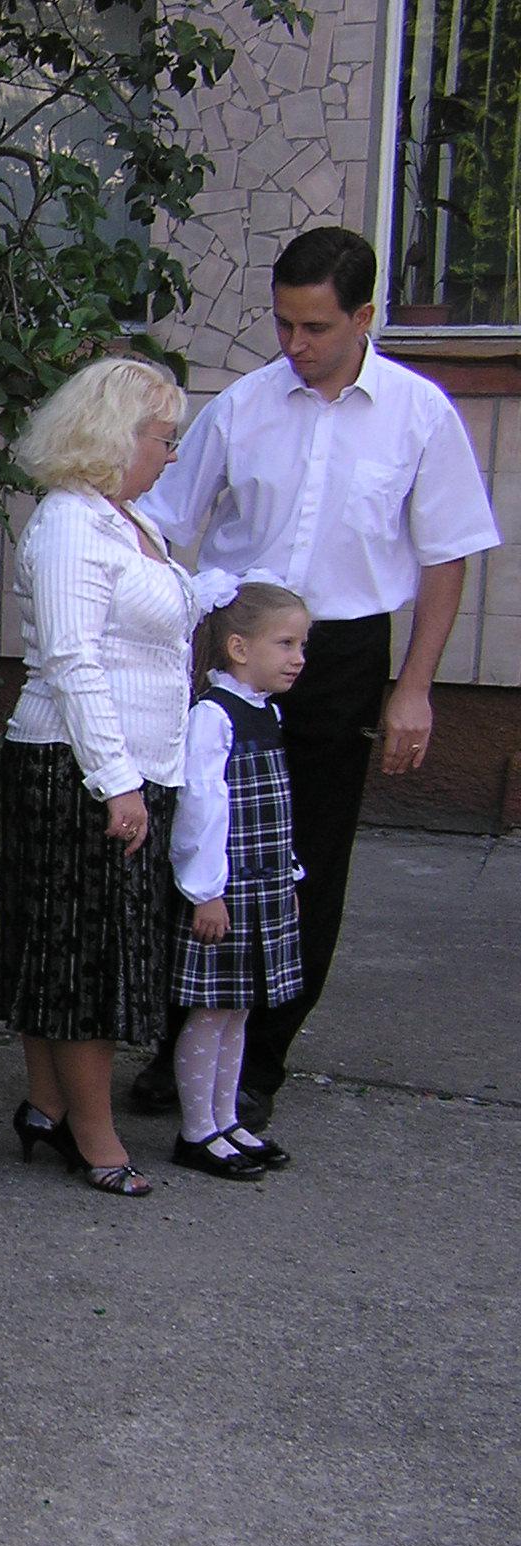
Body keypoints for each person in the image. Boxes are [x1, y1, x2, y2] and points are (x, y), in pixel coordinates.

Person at [133, 226, 501, 1126]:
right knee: (206, 840)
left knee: (310, 857)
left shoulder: (419, 414)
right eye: (283, 324)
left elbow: (446, 556)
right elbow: (162, 520)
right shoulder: (243, 406)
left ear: (365, 317)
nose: (294, 344)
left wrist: (414, 688)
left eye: (315, 328)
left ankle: (259, 1063)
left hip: (340, 654)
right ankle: (182, 1045)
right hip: (233, 651)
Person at [0, 356, 198, 1197]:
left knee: (64, 948)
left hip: (121, 767)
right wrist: (117, 782)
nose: (170, 455)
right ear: (115, 435)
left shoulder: (126, 520)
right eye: (163, 439)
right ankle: (94, 1136)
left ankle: (47, 1106)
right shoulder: (72, 522)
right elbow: (73, 660)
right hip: (79, 768)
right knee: (83, 960)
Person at [166, 577, 311, 1181]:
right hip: (225, 890)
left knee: (240, 1010)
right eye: (285, 643)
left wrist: (288, 876)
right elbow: (201, 806)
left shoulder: (265, 712)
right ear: (239, 647)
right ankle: (196, 1130)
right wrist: (206, 891)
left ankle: (226, 1121)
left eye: (302, 645)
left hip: (263, 885)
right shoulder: (213, 716)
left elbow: (272, 807)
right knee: (211, 1011)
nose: (298, 658)